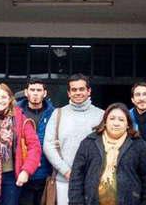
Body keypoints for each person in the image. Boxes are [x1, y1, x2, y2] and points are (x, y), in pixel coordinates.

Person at [68, 103, 146, 205]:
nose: (116, 123)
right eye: (112, 118)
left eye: (121, 119)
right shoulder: (88, 143)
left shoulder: (138, 145)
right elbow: (76, 178)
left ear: (128, 124)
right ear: (105, 121)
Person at [43, 74, 103, 205]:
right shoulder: (58, 114)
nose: (78, 93)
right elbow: (48, 146)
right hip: (64, 182)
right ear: (69, 93)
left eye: (81, 89)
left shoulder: (102, 115)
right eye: (74, 90)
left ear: (89, 91)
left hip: (94, 182)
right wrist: (66, 171)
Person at [17, 79, 56, 205]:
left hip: (46, 173)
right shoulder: (15, 113)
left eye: (39, 90)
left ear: (44, 93)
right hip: (21, 172)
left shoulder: (54, 114)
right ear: (26, 92)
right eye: (32, 90)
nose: (35, 93)